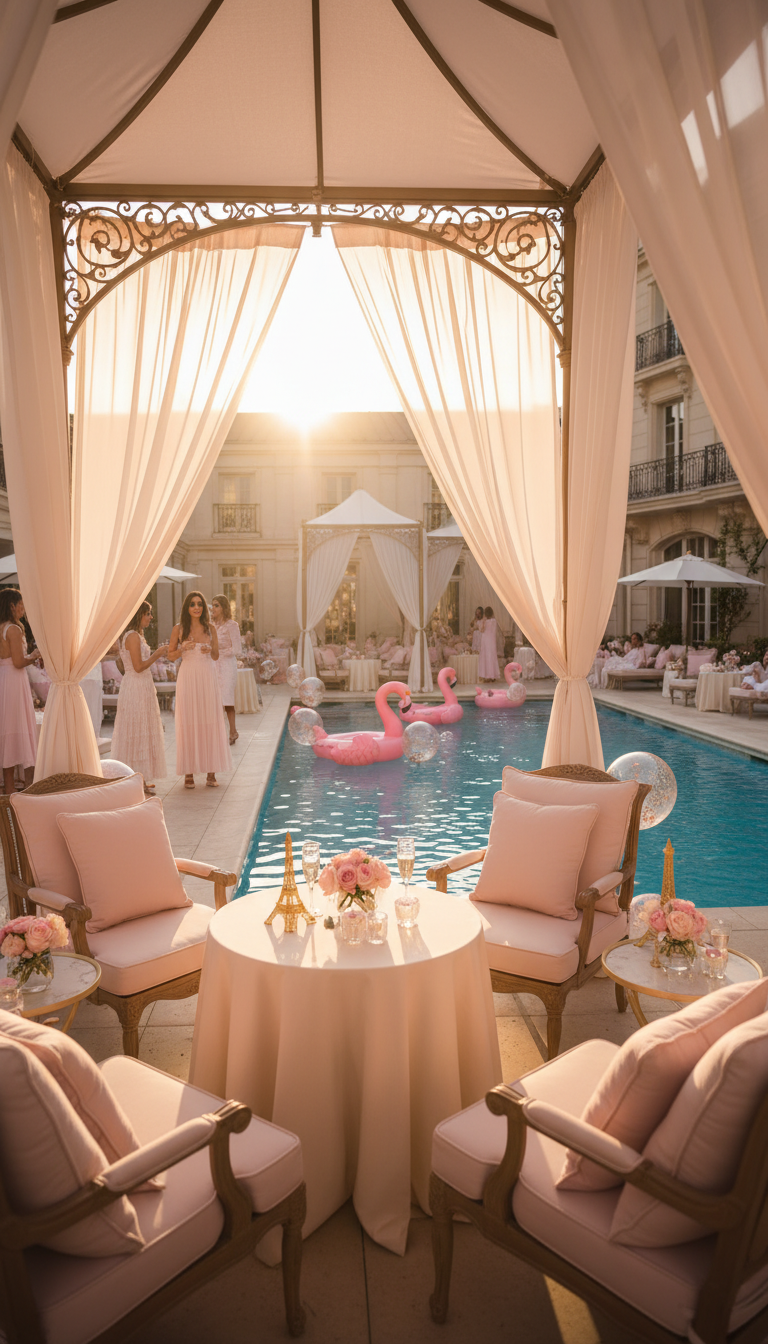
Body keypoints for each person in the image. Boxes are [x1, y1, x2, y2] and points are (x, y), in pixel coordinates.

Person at [168, 591, 231, 789]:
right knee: (189, 720)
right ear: (187, 607)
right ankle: (189, 772)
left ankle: (211, 772)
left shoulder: (210, 628)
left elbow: (216, 655)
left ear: (204, 608)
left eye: (200, 604)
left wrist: (209, 650)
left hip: (207, 676)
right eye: (193, 604)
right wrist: (183, 649)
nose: (197, 607)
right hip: (188, 677)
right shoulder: (178, 629)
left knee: (209, 720)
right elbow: (170, 656)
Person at [111, 600, 168, 795]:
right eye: (148, 613)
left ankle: (139, 778)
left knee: (142, 729)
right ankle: (134, 780)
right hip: (135, 685)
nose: (151, 617)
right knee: (135, 729)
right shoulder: (133, 636)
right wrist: (158, 654)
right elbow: (138, 666)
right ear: (139, 615)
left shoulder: (136, 635)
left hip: (141, 685)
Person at [0, 589, 41, 794]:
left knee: (7, 730)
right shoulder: (14, 630)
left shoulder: (1, 628)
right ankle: (27, 790)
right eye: (21, 606)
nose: (23, 610)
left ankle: (8, 792)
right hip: (15, 682)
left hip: (4, 679)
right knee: (19, 727)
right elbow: (17, 662)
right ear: (11, 606)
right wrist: (34, 656)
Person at [211, 593, 242, 745]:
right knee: (215, 700)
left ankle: (233, 731)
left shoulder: (232, 625)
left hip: (228, 666)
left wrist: (218, 652)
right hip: (213, 666)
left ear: (223, 608)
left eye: (216, 605)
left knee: (227, 699)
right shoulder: (210, 625)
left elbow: (237, 649)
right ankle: (218, 733)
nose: (213, 608)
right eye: (212, 605)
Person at [478, 606, 500, 682]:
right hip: (492, 641)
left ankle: (486, 675)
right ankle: (493, 675)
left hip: (485, 640)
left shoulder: (485, 621)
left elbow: (481, 630)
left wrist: (483, 621)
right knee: (492, 656)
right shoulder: (494, 621)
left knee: (486, 657)